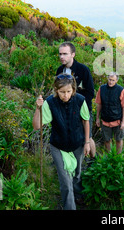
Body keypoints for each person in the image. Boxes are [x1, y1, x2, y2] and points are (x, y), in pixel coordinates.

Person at [32, 74, 90, 210]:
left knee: (77, 174)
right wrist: (38, 108)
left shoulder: (80, 100)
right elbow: (36, 126)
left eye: (68, 91)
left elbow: (85, 120)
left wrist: (87, 142)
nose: (65, 95)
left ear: (73, 90)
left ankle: (78, 194)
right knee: (65, 181)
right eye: (62, 92)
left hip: (77, 144)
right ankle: (70, 207)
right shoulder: (50, 103)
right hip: (58, 145)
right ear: (56, 90)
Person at [56, 42, 96, 158]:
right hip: (65, 110)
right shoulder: (60, 71)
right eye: (60, 54)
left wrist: (80, 104)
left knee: (87, 137)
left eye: (65, 54)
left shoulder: (83, 70)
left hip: (82, 109)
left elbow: (90, 92)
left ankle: (93, 161)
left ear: (73, 54)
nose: (61, 57)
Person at [95, 72, 124, 153]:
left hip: (117, 121)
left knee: (119, 139)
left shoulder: (121, 90)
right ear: (107, 78)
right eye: (110, 79)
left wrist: (123, 122)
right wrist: (97, 118)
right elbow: (99, 104)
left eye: (113, 80)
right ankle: (109, 157)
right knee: (107, 140)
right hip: (105, 120)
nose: (111, 82)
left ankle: (118, 157)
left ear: (116, 81)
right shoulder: (102, 89)